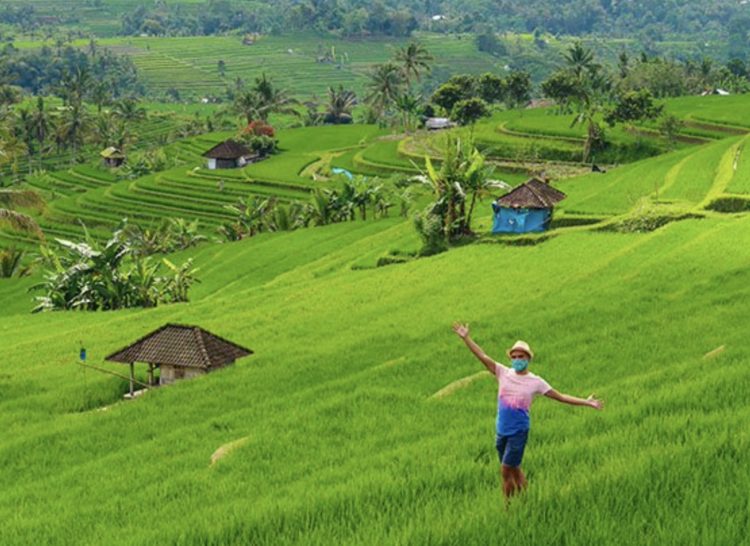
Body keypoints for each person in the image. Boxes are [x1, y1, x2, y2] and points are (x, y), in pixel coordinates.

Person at [452, 323, 603, 500]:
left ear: (528, 358)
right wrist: (466, 338)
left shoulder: (536, 382)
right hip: (501, 431)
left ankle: (508, 507)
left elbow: (561, 396)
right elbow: (482, 356)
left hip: (518, 432)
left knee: (505, 470)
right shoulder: (503, 373)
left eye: (521, 356)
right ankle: (526, 497)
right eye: (514, 356)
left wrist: (587, 402)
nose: (517, 359)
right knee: (513, 468)